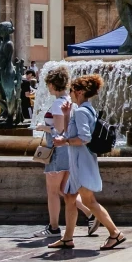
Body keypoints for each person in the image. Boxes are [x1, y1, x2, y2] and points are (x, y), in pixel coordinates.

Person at [49, 74, 124, 251]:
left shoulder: (82, 112)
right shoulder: (85, 109)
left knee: (89, 201)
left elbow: (84, 138)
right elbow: (70, 132)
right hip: (78, 162)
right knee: (70, 198)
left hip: (81, 163)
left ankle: (115, 233)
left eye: (72, 90)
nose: (70, 94)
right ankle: (67, 238)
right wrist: (66, 115)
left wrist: (64, 142)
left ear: (80, 92)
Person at [31, 67, 94, 241]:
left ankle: (53, 228)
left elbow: (60, 130)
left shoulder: (58, 103)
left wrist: (43, 127)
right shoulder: (70, 101)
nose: (48, 88)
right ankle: (91, 214)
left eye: (48, 85)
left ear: (52, 85)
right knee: (64, 190)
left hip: (58, 151)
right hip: (69, 151)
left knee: (52, 191)